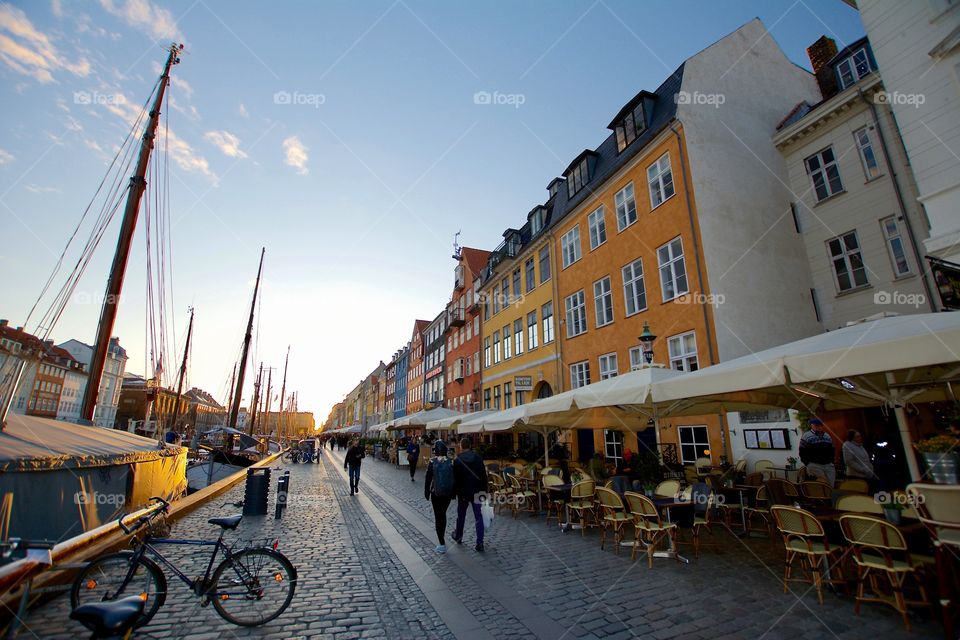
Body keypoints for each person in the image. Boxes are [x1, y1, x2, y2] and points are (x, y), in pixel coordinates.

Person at [452, 437, 488, 552]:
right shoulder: (478, 458)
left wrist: (455, 492)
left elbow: (455, 479)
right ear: (471, 445)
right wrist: (485, 492)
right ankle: (480, 542)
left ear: (461, 446)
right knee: (479, 517)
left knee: (461, 515)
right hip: (477, 491)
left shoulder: (458, 460)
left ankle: (458, 536)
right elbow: (483, 476)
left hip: (463, 492)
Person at [424, 441, 455, 553]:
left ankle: (441, 543)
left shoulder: (432, 462)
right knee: (443, 514)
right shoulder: (451, 462)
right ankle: (442, 538)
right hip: (447, 493)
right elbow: (454, 479)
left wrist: (426, 492)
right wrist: (454, 493)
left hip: (435, 493)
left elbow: (428, 478)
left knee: (438, 516)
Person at [799, 418, 836, 487]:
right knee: (821, 485)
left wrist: (832, 461)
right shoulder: (806, 436)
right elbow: (802, 451)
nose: (819, 427)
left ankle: (830, 497)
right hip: (815, 465)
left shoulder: (827, 436)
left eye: (820, 425)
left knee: (831, 485)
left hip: (828, 464)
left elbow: (832, 449)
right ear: (812, 425)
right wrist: (807, 463)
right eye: (816, 426)